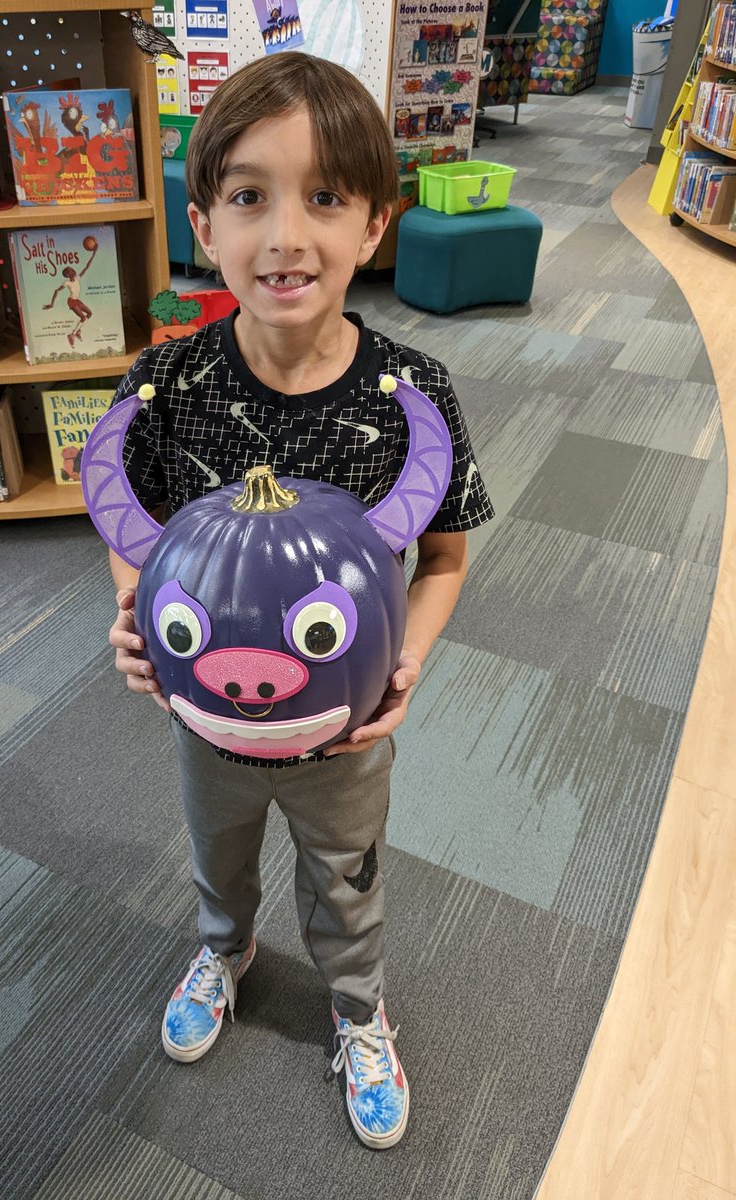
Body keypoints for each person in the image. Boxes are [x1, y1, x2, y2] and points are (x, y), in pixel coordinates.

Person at [107, 51, 493, 1150]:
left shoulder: (413, 396)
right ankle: (224, 949)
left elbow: (445, 557)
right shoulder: (165, 387)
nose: (286, 235)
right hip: (208, 723)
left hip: (344, 733)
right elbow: (129, 523)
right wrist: (133, 613)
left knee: (347, 878)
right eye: (249, 196)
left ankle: (359, 1007)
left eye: (324, 197)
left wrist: (409, 660)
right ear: (202, 224)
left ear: (375, 223)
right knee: (217, 855)